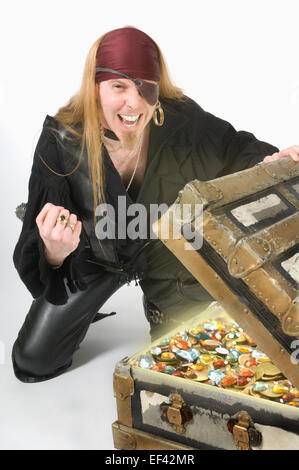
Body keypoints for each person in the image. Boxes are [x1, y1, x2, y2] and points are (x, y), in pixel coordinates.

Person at [12, 26, 299, 383]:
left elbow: (233, 148)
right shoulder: (61, 141)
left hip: (163, 248)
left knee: (188, 354)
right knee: (33, 361)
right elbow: (36, 250)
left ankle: (163, 302)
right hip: (92, 257)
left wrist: (271, 161)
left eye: (144, 86)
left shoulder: (178, 118)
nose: (134, 103)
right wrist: (55, 251)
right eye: (119, 86)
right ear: (95, 87)